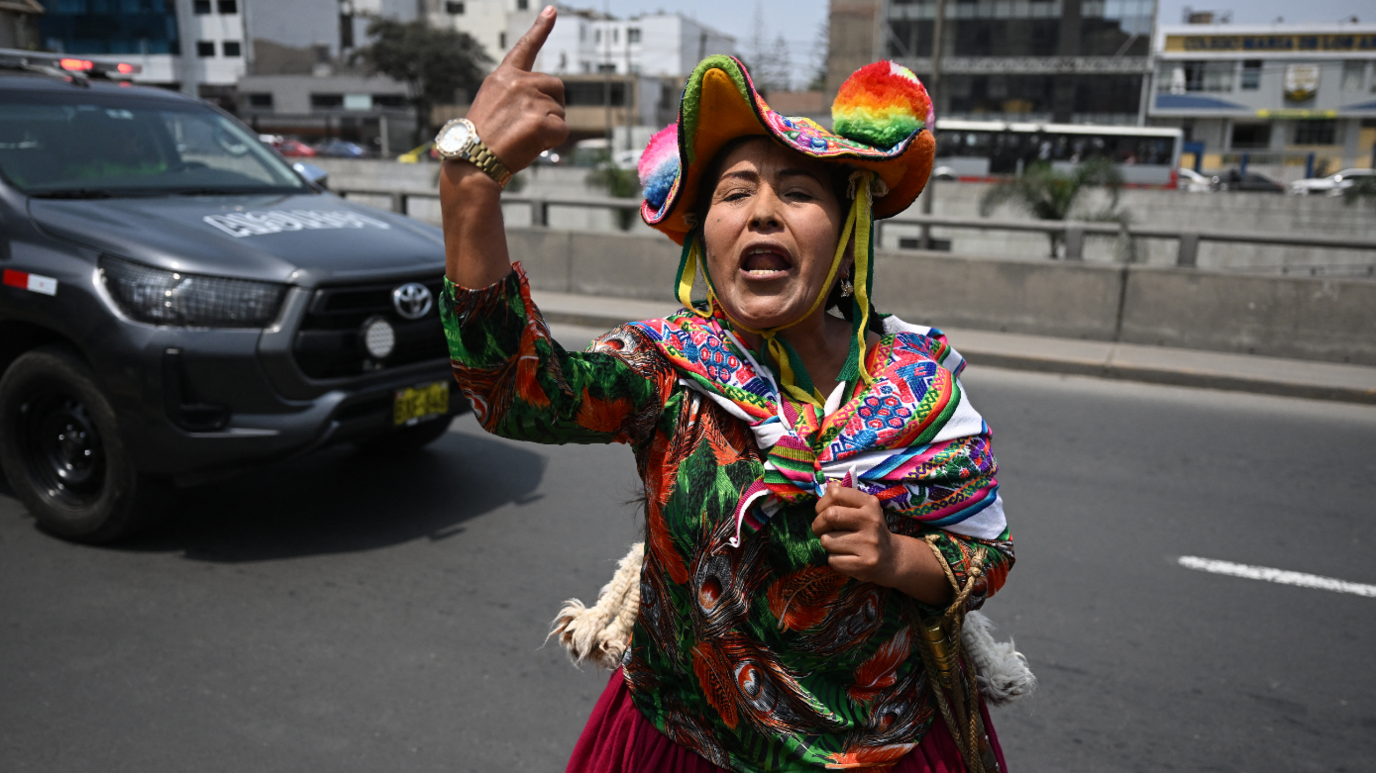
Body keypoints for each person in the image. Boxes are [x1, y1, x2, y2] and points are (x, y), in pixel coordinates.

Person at [438, 8, 1015, 772]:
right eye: (735, 192)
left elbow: (985, 555)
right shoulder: (666, 370)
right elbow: (514, 390)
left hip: (881, 750)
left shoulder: (918, 384)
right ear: (705, 240)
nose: (763, 211)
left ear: (848, 243)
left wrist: (890, 555)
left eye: (799, 192)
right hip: (684, 745)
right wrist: (470, 182)